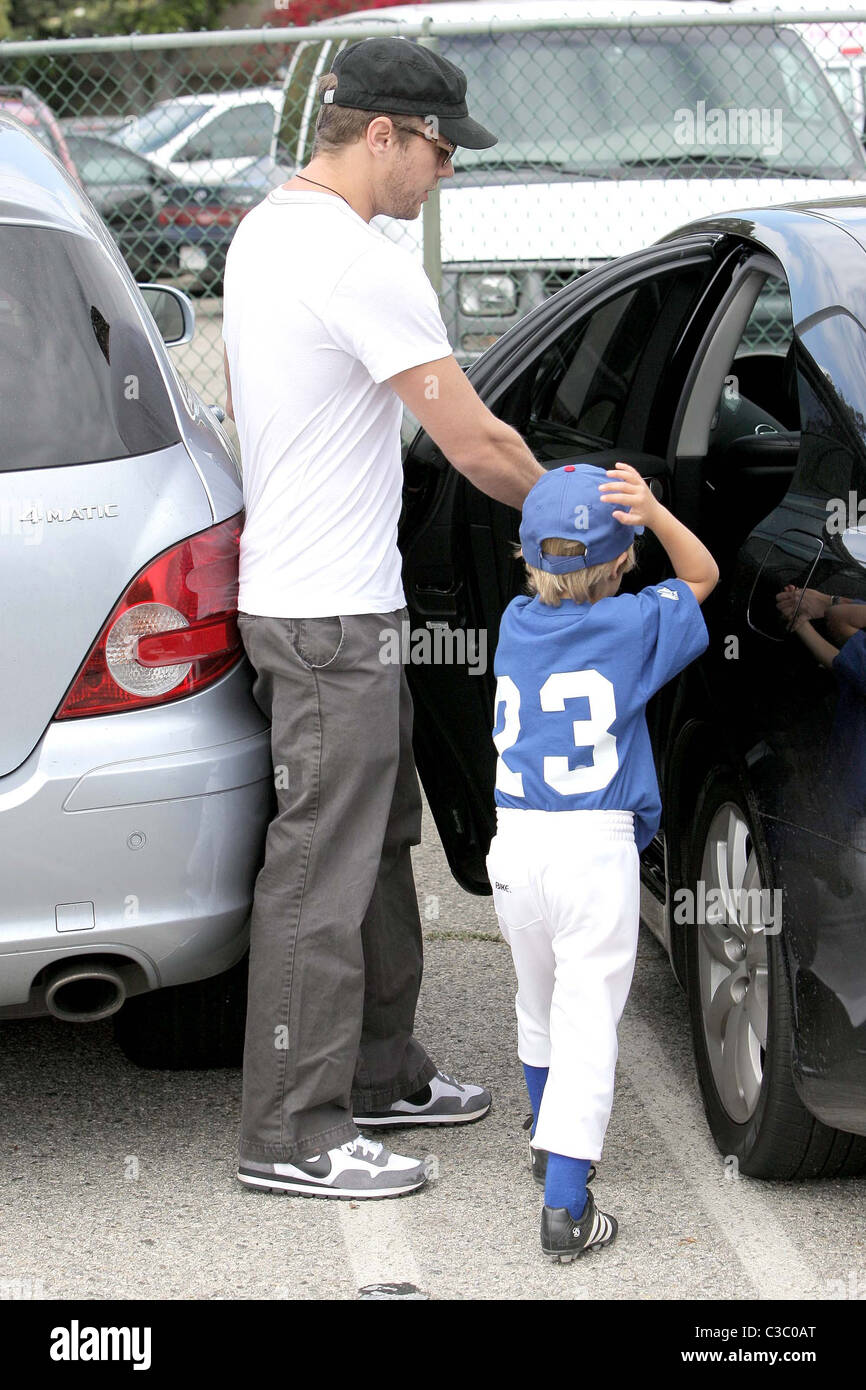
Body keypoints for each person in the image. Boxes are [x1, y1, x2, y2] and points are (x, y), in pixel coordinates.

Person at [221, 35, 544, 1200]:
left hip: (326, 602)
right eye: (440, 149)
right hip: (326, 621)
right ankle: (291, 1130)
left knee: (375, 845)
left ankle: (380, 1069)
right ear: (380, 135)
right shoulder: (357, 260)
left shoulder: (270, 230)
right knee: (319, 871)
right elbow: (473, 442)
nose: (444, 172)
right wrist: (591, 508)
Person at [487, 461, 718, 1258]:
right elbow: (703, 573)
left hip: (514, 846)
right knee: (589, 1026)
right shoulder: (631, 625)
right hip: (592, 850)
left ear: (528, 561)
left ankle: (546, 1142)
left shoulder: (516, 623)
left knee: (538, 1001)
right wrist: (652, 510)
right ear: (621, 564)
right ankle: (565, 1209)